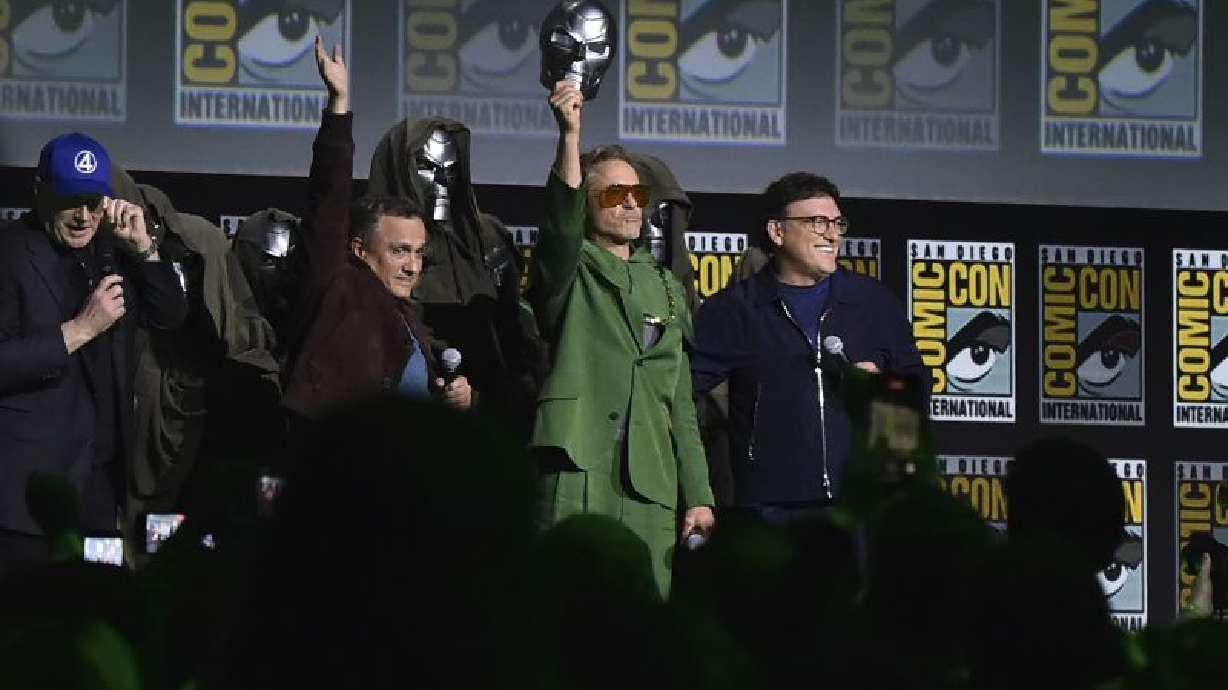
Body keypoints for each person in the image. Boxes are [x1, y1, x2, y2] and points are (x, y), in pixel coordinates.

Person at [529, 79, 715, 594]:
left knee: (642, 618)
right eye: (614, 194)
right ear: (587, 204)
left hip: (651, 481)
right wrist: (569, 136)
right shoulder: (570, 268)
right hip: (577, 465)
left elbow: (681, 404)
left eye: (638, 194)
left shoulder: (666, 286)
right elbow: (559, 227)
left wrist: (699, 493)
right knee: (564, 610)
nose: (631, 205)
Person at [0, 132, 187, 575]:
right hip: (28, 502)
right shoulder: (8, 254)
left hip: (99, 495)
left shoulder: (112, 250)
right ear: (40, 192)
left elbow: (170, 316)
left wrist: (144, 249)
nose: (84, 217)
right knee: (29, 614)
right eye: (70, 202)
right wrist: (80, 330)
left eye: (93, 202)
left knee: (97, 609)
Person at [690, 172, 926, 520]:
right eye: (817, 222)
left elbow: (915, 389)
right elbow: (680, 397)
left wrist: (883, 391)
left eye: (837, 223)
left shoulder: (873, 303)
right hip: (768, 505)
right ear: (777, 231)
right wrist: (699, 490)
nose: (832, 234)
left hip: (860, 504)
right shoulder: (734, 310)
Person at [280, 38, 470, 422]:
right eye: (399, 251)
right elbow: (328, 200)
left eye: (418, 253)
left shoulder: (409, 321)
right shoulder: (337, 288)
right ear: (359, 250)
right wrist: (338, 106)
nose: (412, 267)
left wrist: (453, 397)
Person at [367, 112, 542, 438]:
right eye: (428, 167)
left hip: (488, 425)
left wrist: (492, 401)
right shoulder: (368, 242)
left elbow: (518, 337)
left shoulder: (486, 239)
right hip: (399, 422)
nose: (442, 181)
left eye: (450, 169)